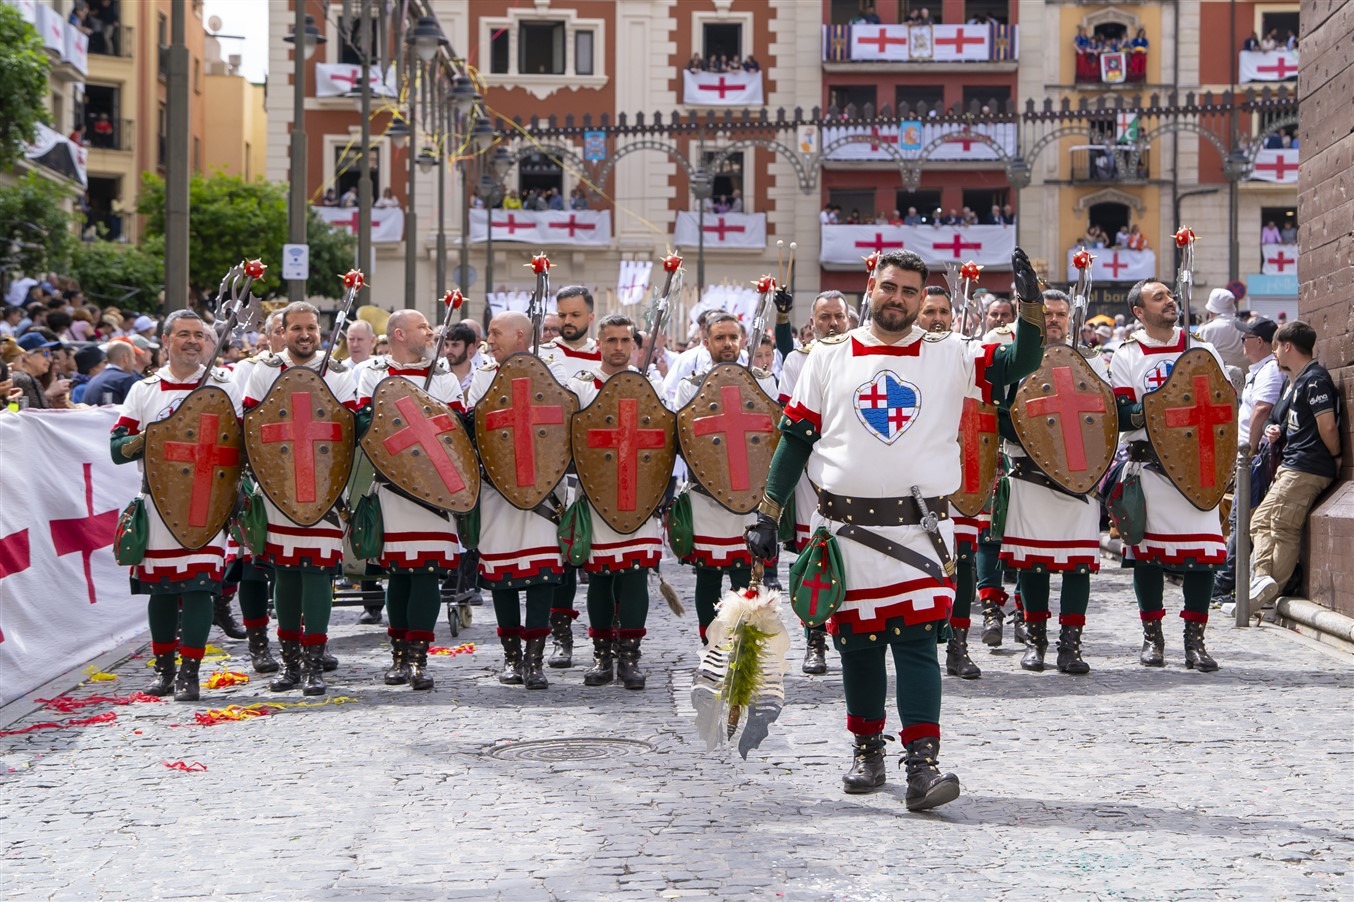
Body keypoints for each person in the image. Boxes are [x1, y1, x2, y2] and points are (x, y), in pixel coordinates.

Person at [747, 248, 1046, 808]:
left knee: (915, 644)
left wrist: (1029, 305)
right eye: (890, 287)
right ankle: (867, 750)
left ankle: (923, 767)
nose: (899, 299)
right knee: (858, 645)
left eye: (910, 291)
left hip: (921, 530)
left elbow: (1021, 364)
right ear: (872, 286)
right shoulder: (827, 356)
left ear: (922, 297)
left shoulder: (950, 353)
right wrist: (768, 511)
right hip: (843, 528)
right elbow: (796, 436)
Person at [109, 311, 243, 701]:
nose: (192, 341)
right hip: (159, 503)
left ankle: (191, 673)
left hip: (209, 500)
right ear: (166, 341)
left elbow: (240, 444)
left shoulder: (225, 385)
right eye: (183, 335)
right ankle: (164, 670)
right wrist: (154, 436)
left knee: (200, 587)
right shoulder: (144, 390)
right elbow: (117, 449)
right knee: (162, 590)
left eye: (198, 335)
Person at [1110, 279, 1229, 671]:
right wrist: (1161, 411)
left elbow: (1222, 402)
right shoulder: (1127, 355)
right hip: (1151, 468)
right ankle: (1153, 637)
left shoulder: (1202, 349)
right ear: (1139, 312)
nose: (1169, 301)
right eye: (1158, 297)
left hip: (1198, 468)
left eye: (1170, 295)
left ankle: (1195, 641)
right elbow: (1123, 411)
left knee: (1204, 556)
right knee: (1147, 558)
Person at [995, 291, 1115, 674]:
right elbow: (999, 413)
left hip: (1079, 480)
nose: (1053, 320)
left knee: (1078, 566)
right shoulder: (1015, 359)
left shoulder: (1092, 363)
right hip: (1029, 477)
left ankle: (1071, 645)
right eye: (1046, 314)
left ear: (1071, 317)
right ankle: (1035, 641)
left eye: (1060, 314)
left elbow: (1108, 414)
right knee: (1034, 565)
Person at [243, 302, 357, 696]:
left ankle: (314, 665)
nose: (305, 334)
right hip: (278, 488)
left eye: (311, 327)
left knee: (316, 575)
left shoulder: (338, 371)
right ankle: (290, 663)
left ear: (320, 332)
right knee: (286, 574)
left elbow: (349, 427)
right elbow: (252, 425)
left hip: (324, 487)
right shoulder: (264, 370)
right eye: (296, 328)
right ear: (283, 331)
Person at [354, 309, 464, 691]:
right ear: (399, 333)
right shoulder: (373, 372)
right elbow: (366, 423)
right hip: (392, 486)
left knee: (428, 573)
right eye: (422, 327)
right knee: (400, 573)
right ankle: (399, 655)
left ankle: (418, 657)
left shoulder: (444, 376)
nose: (430, 332)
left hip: (437, 489)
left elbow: (458, 430)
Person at [465, 312, 569, 688]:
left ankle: (535, 659)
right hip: (497, 490)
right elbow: (472, 426)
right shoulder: (483, 376)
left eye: (495, 333)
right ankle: (512, 658)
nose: (489, 340)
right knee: (503, 576)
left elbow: (566, 422)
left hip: (544, 490)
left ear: (520, 335)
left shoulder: (554, 370)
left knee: (542, 575)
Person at [565, 314, 667, 689]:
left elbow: (664, 439)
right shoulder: (581, 387)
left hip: (640, 493)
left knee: (635, 575)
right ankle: (601, 655)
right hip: (598, 492)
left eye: (626, 341)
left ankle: (630, 657)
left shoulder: (650, 385)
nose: (619, 348)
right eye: (612, 340)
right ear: (599, 344)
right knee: (601, 578)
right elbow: (571, 437)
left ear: (635, 345)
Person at [669, 313, 777, 642]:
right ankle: (711, 641)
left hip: (748, 492)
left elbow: (772, 433)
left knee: (746, 572)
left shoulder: (763, 381)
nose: (727, 344)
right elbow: (682, 436)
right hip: (707, 495)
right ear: (706, 343)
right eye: (720, 338)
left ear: (743, 341)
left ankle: (742, 646)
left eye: (733, 337)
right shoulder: (691, 385)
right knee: (708, 574)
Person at [1249, 321, 1342, 608]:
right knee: (1263, 521)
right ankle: (1262, 583)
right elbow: (1293, 423)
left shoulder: (1314, 379)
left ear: (1287, 345)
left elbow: (1327, 426)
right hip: (1294, 464)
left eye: (1276, 346)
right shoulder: (1299, 380)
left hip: (1306, 466)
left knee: (1281, 527)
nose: (1274, 353)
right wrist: (1275, 431)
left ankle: (1266, 592)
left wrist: (1336, 456)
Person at [536, 286, 603, 666]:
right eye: (562, 315)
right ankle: (560, 635)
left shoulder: (607, 354)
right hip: (557, 470)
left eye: (575, 315)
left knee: (602, 560)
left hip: (598, 470)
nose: (566, 322)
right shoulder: (542, 357)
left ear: (590, 317)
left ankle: (604, 639)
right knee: (559, 557)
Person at [1212, 316, 1284, 604]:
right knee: (1239, 518)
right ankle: (1228, 583)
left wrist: (1250, 449)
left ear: (1260, 342)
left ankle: (1225, 585)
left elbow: (1262, 409)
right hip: (1247, 456)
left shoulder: (1269, 371)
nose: (1242, 341)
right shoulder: (1258, 370)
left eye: (1246, 337)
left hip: (1254, 457)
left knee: (1241, 519)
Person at [1196, 288, 1248, 370]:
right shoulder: (1245, 328)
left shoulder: (1205, 330)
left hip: (1215, 379)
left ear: (1211, 311)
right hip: (1243, 379)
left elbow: (1196, 358)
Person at [80, 339, 139, 406]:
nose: (135, 362)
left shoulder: (93, 380)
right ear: (125, 358)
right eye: (134, 358)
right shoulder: (126, 379)